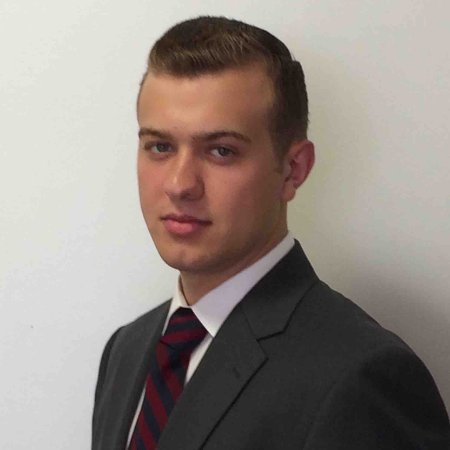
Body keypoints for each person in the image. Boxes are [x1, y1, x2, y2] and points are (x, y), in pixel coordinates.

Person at [92, 16, 450, 450]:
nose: (180, 184)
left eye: (221, 151)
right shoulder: (127, 350)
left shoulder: (360, 375)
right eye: (160, 147)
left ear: (293, 169)